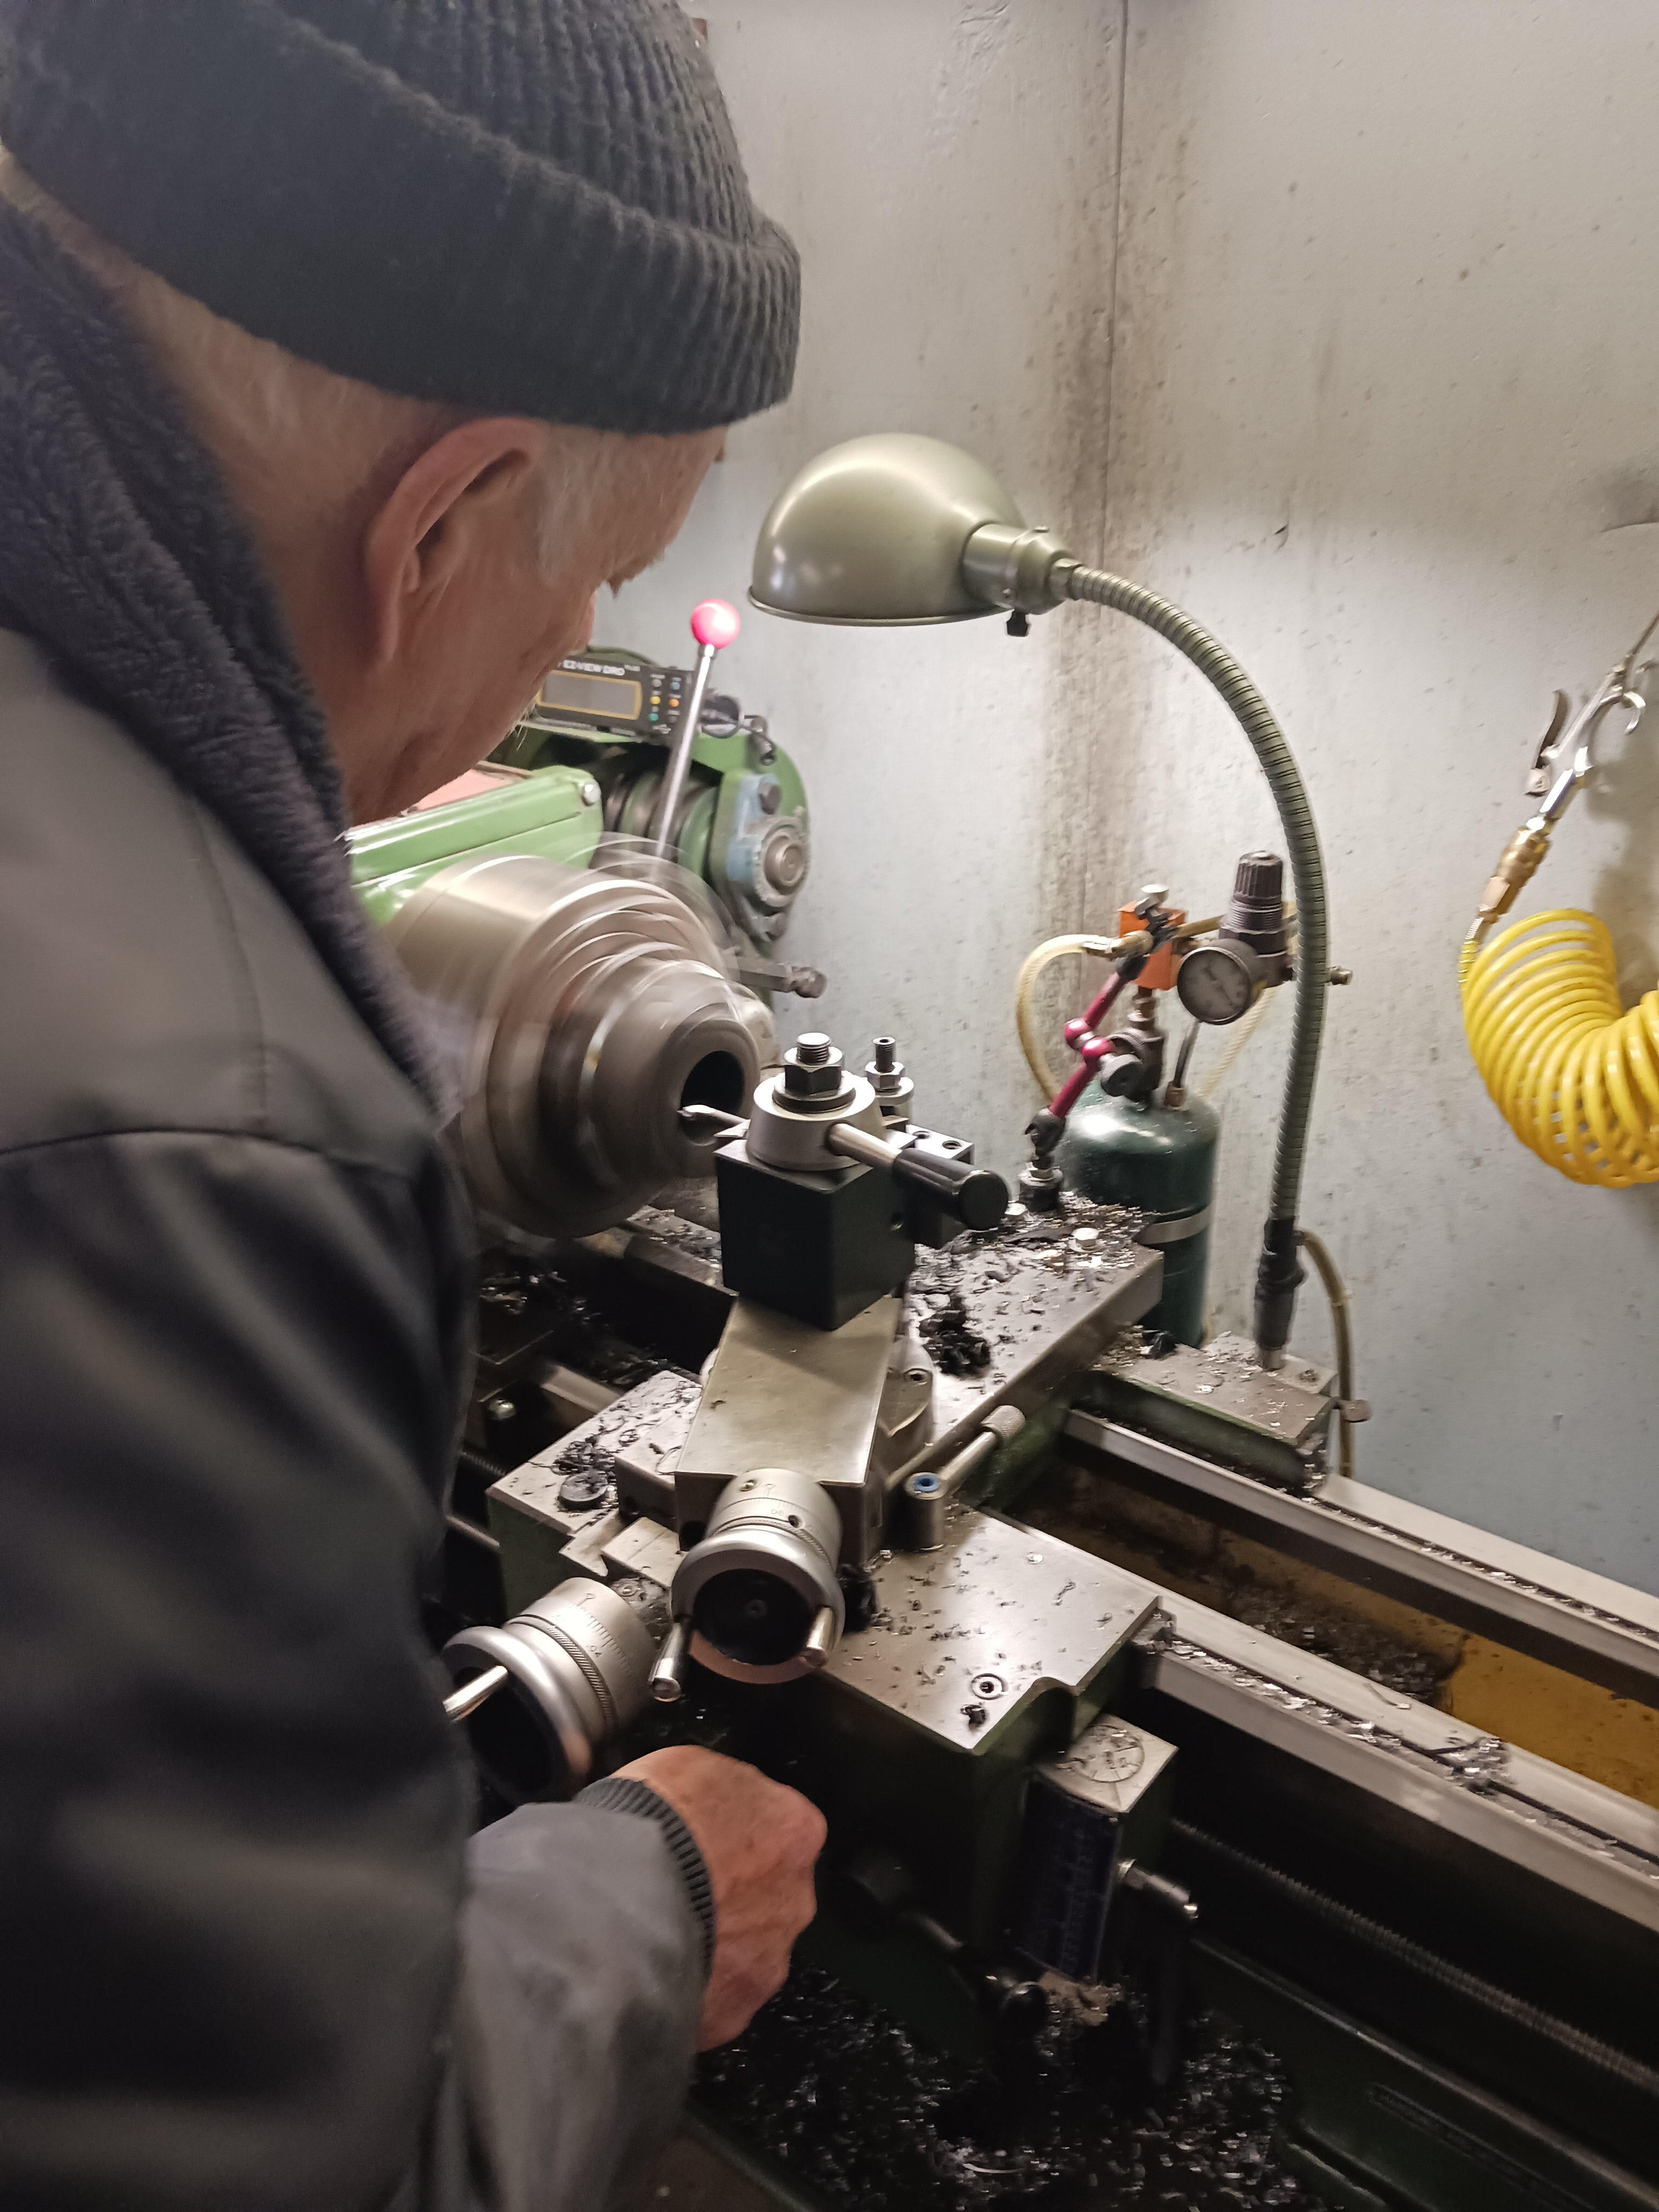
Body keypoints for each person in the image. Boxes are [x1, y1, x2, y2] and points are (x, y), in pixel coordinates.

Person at [0, 4, 825, 2207]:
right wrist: (650, 1898)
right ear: (442, 519)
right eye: (587, 591)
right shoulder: (204, 1125)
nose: (559, 659)